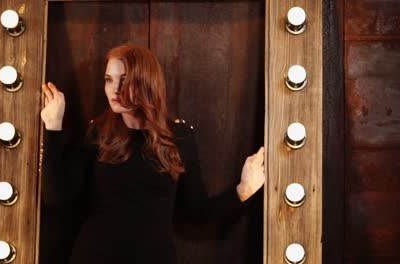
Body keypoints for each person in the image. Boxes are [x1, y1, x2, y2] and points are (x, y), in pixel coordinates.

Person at [40, 43, 265, 264]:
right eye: (109, 79)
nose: (114, 89)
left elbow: (196, 211)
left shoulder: (179, 135)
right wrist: (53, 126)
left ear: (146, 81)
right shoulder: (97, 131)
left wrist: (243, 190)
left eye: (124, 79)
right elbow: (55, 196)